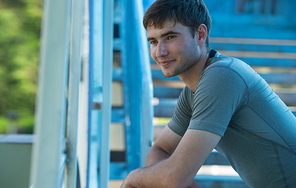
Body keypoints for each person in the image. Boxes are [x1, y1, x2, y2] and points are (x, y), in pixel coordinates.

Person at [120, 0, 296, 187]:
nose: (160, 51)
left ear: (200, 34)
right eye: (153, 42)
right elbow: (160, 149)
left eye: (170, 37)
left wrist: (133, 178)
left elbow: (174, 180)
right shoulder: (193, 92)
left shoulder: (222, 75)